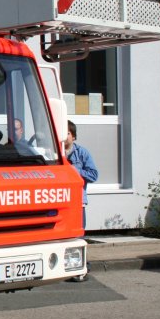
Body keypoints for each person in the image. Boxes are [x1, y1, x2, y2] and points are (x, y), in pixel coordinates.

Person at [66, 120, 98, 282]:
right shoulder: (52, 153)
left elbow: (93, 175)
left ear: (74, 136)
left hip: (78, 202)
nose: (64, 137)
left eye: (68, 133)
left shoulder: (82, 153)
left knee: (78, 235)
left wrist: (75, 169)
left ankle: (81, 268)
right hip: (61, 202)